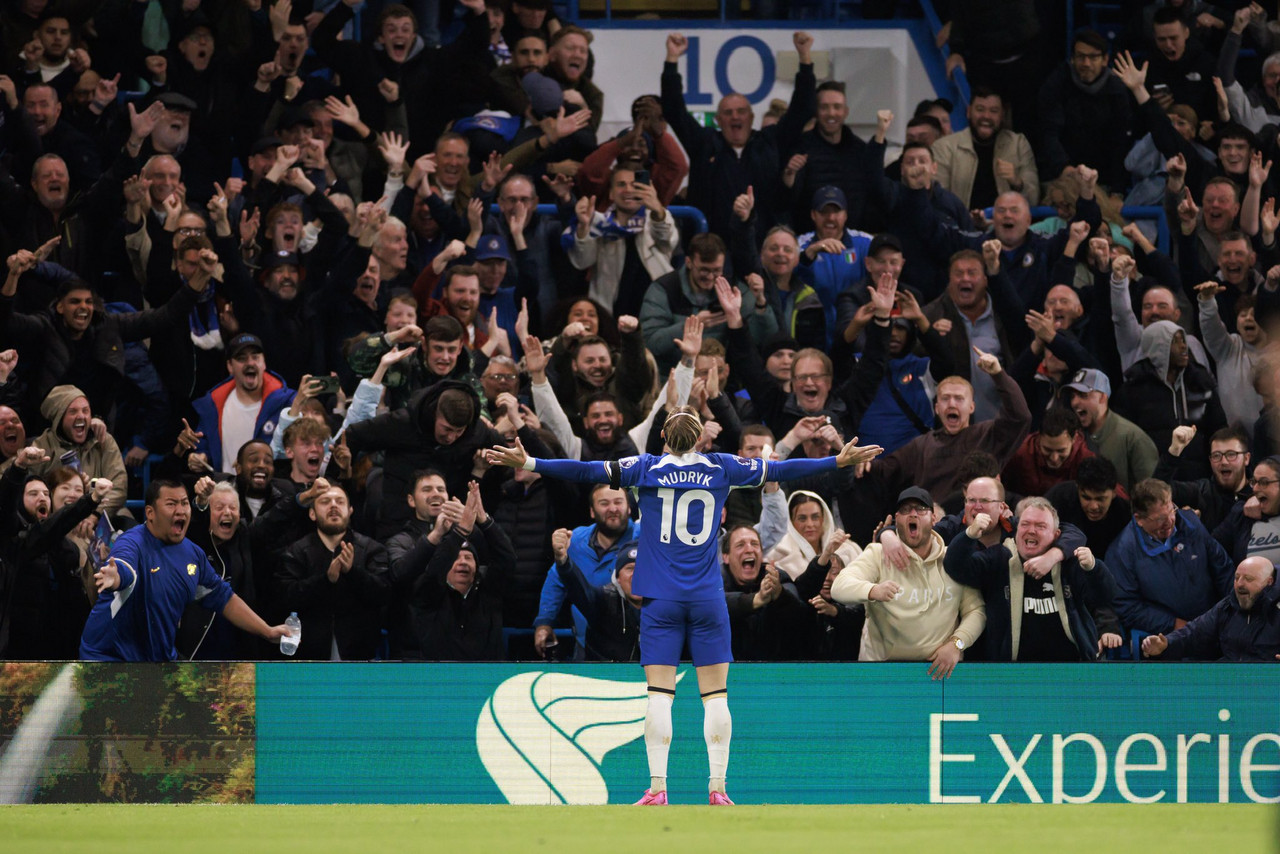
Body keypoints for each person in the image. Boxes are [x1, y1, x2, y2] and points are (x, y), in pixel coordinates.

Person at [486, 406, 881, 805]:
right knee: (717, 697)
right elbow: (778, 470)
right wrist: (837, 459)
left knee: (659, 694)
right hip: (708, 597)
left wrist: (530, 460)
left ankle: (658, 787)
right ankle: (718, 787)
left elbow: (585, 470)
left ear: (664, 440)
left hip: (660, 599)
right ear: (698, 440)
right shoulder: (722, 466)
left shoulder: (645, 467)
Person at [79, 480, 289, 661]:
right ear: (150, 513)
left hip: (157, 662)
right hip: (108, 660)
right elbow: (125, 570)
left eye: (185, 503)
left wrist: (267, 631)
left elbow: (224, 598)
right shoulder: (132, 542)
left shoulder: (193, 554)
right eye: (171, 504)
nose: (180, 510)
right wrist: (116, 577)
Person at [829, 486, 986, 675]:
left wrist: (957, 644)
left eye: (921, 509)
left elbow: (976, 611)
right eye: (905, 510)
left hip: (939, 672)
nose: (913, 514)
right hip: (881, 670)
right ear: (896, 519)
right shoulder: (877, 554)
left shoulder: (952, 559)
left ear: (934, 518)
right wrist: (872, 590)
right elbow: (839, 587)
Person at [944, 497, 1118, 661]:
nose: (1031, 530)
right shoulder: (998, 559)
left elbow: (1106, 597)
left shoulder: (1071, 563)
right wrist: (969, 535)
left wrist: (1094, 568)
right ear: (1017, 530)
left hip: (1073, 671)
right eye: (1025, 524)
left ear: (1057, 534)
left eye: (1041, 526)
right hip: (1012, 675)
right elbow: (956, 568)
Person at [1106, 478, 1235, 636]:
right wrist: (1174, 625)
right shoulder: (1122, 552)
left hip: (1215, 624)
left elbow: (1222, 566)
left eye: (1171, 510)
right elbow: (1127, 606)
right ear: (1139, 519)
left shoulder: (1190, 522)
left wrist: (1233, 609)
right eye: (1160, 519)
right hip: (1169, 639)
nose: (1169, 522)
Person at [1140, 556, 1280, 661]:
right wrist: (1166, 644)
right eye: (1237, 578)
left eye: (1248, 579)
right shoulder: (1227, 606)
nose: (1239, 584)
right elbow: (1195, 633)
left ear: (1269, 582)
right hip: (1230, 680)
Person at [1064, 368, 1158, 492]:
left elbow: (1153, 493)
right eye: (1072, 396)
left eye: (1083, 395)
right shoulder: (1071, 435)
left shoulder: (1133, 438)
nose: (1075, 402)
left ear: (1103, 398)